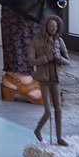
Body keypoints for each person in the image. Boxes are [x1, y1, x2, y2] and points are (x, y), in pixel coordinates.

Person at [29, 15, 69, 146]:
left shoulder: (60, 41)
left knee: (58, 109)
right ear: (45, 27)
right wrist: (45, 58)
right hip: (44, 78)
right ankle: (38, 129)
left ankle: (59, 138)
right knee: (48, 111)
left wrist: (59, 59)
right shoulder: (36, 41)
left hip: (55, 78)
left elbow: (67, 60)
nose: (53, 28)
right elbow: (31, 60)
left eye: (56, 27)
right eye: (51, 26)